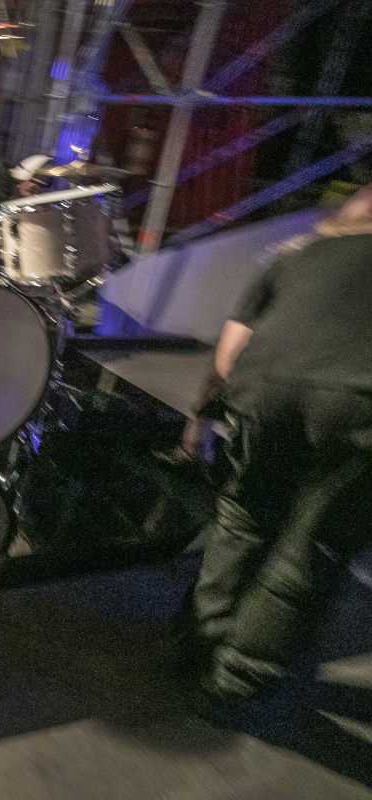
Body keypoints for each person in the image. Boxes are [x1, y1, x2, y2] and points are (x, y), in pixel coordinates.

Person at [179, 186, 372, 715]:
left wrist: (198, 421)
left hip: (263, 392)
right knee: (312, 545)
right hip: (357, 404)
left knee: (242, 520)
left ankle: (201, 639)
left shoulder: (299, 253)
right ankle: (232, 681)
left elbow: (227, 356)